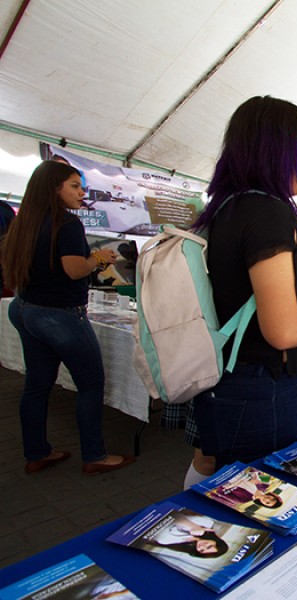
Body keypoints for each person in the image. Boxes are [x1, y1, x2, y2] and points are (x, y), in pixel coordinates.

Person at [190, 96, 297, 467]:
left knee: (218, 470)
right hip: (260, 386)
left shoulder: (233, 205)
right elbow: (284, 332)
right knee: (252, 491)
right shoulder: (267, 213)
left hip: (237, 377)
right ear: (278, 148)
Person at [0, 160, 135, 475]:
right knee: (90, 383)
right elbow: (73, 270)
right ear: (54, 188)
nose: (82, 192)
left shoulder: (25, 223)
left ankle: (36, 453)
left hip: (25, 308)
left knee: (37, 384)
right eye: (74, 186)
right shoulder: (67, 223)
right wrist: (97, 258)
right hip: (59, 314)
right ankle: (95, 455)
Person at [146, 514, 229, 559]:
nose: (203, 546)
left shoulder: (170, 542)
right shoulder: (207, 524)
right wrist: (193, 526)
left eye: (202, 550)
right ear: (216, 541)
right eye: (209, 546)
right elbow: (173, 514)